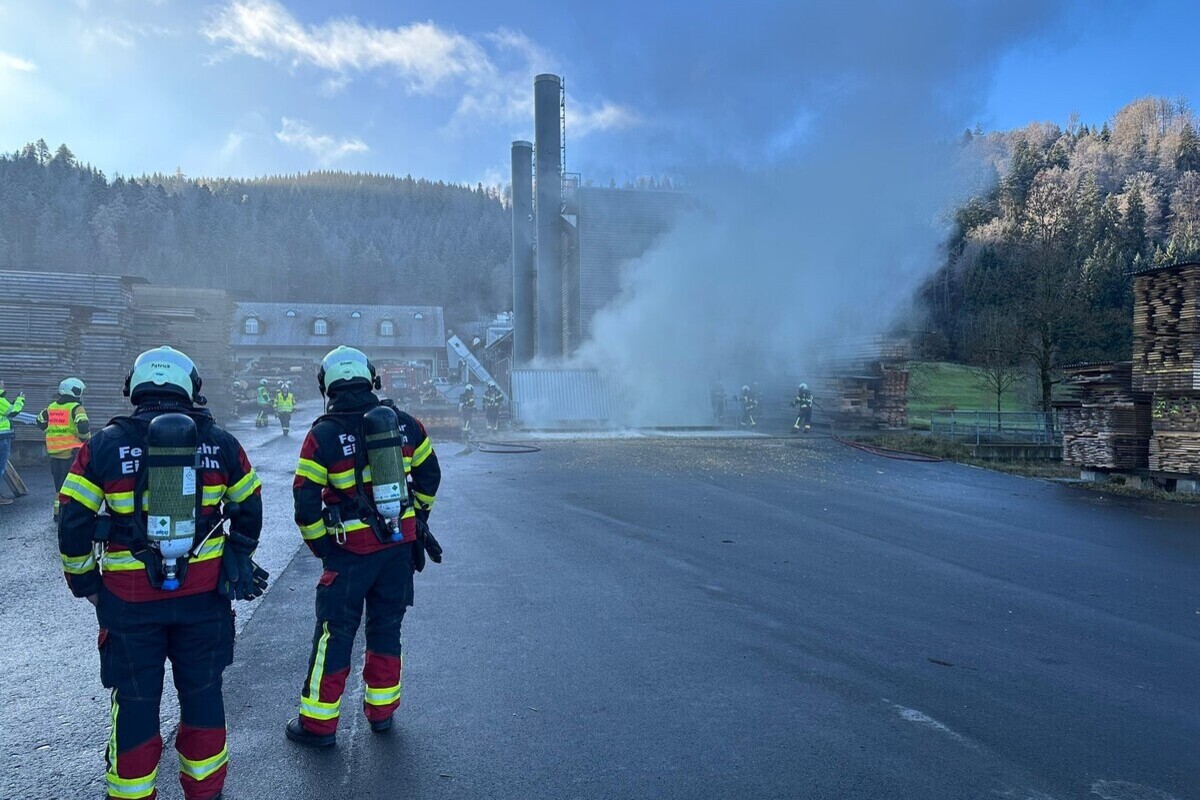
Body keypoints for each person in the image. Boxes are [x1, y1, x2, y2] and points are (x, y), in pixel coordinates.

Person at [57, 346, 266, 800]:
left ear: (135, 388)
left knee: (134, 703)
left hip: (128, 604)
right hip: (204, 600)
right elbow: (249, 506)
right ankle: (206, 791)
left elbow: (72, 520)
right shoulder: (221, 442)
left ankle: (131, 793)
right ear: (190, 387)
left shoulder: (103, 446)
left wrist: (86, 584)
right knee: (204, 695)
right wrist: (239, 552)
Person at [287, 346, 442, 747]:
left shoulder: (322, 435)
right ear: (372, 379)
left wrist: (324, 548)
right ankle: (382, 714)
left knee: (334, 634)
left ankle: (318, 727)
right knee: (387, 628)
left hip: (349, 554)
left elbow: (304, 501)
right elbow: (430, 477)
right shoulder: (406, 425)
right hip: (397, 551)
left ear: (328, 386)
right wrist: (417, 518)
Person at [37, 377, 90, 520]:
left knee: (59, 485)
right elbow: (83, 426)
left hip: (55, 454)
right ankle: (70, 513)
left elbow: (40, 420)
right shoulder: (76, 407)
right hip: (72, 453)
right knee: (73, 485)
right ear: (75, 391)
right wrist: (86, 439)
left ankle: (57, 513)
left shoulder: (52, 407)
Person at [0, 377, 24, 507]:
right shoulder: (0, 399)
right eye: (2, 384)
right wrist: (20, 400)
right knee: (0, 467)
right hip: (2, 437)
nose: (4, 387)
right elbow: (13, 412)